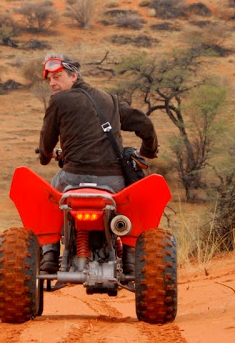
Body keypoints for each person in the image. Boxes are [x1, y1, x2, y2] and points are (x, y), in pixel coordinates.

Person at [37, 53, 159, 274]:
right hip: (113, 182)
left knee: (48, 197)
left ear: (73, 75)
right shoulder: (109, 100)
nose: (53, 83)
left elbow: (47, 139)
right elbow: (144, 123)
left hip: (73, 177)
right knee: (129, 205)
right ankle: (131, 257)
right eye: (50, 80)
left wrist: (45, 157)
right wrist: (147, 151)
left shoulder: (59, 101)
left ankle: (50, 253)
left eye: (57, 76)